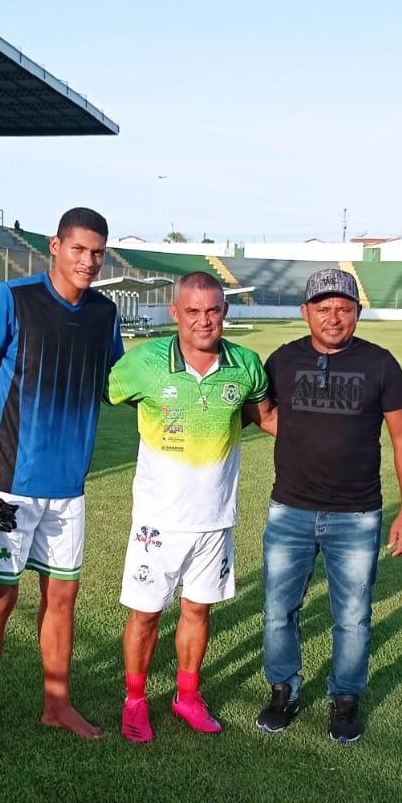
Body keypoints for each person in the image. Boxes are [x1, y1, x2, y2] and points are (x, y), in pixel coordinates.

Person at [0, 207, 123, 763]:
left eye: (97, 252)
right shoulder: (14, 299)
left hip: (69, 487)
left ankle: (56, 704)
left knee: (62, 597)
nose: (88, 261)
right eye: (79, 249)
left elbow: (120, 384)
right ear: (55, 246)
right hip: (6, 486)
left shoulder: (104, 313)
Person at [257, 268, 402, 743]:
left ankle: (345, 697)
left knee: (352, 615)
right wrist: (304, 435)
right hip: (290, 510)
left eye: (344, 309)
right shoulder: (283, 361)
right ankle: (283, 689)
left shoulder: (380, 364)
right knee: (277, 610)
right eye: (323, 309)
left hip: (357, 514)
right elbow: (262, 413)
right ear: (305, 312)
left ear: (357, 313)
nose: (334, 318)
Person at [107, 272, 273, 743]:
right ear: (175, 312)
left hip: (215, 520)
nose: (205, 321)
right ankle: (135, 701)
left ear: (225, 311)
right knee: (145, 614)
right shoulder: (145, 363)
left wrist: (328, 436)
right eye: (193, 311)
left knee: (198, 612)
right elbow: (105, 391)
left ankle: (187, 696)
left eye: (214, 310)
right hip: (157, 524)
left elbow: (265, 417)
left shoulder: (246, 365)